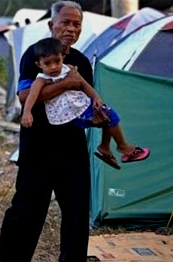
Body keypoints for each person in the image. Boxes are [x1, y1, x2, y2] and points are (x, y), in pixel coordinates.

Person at [0, 2, 130, 262]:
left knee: (78, 215)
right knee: (26, 207)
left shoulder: (80, 61)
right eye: (65, 22)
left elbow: (82, 105)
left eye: (76, 24)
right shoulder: (35, 54)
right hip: (38, 145)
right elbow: (24, 97)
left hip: (71, 147)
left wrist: (99, 118)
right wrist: (66, 83)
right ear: (51, 25)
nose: (71, 28)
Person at [20, 37, 150, 169]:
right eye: (47, 63)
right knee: (109, 118)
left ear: (62, 58)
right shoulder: (42, 79)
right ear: (39, 65)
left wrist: (96, 98)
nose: (53, 67)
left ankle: (106, 146)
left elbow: (84, 84)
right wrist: (27, 112)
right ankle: (122, 146)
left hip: (82, 104)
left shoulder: (69, 69)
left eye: (57, 61)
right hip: (69, 113)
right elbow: (32, 96)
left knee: (110, 115)